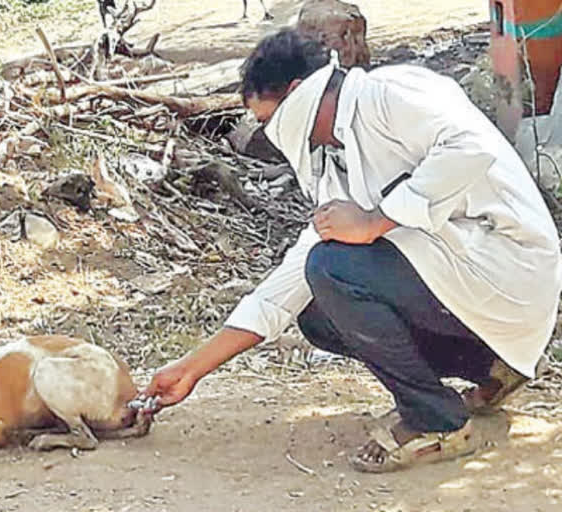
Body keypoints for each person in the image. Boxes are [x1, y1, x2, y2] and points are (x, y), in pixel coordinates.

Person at [144, 29, 562, 473]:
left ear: (297, 93)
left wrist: (375, 221)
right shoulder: (330, 160)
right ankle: (492, 367)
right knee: (316, 307)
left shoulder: (391, 93)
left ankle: (438, 423)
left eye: (267, 120)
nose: (268, 134)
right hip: (468, 285)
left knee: (333, 268)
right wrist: (192, 369)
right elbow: (287, 286)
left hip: (510, 268)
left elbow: (469, 147)